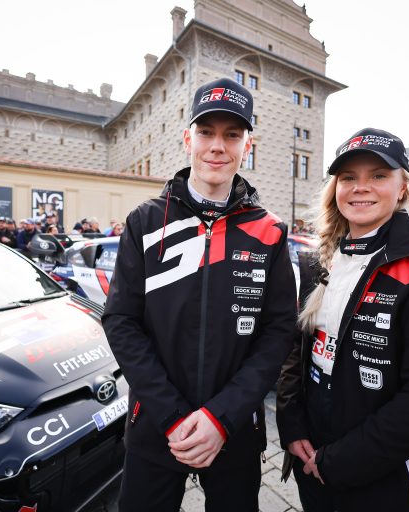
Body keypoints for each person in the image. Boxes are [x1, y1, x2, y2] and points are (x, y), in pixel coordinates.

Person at [102, 77, 296, 511]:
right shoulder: (145, 221)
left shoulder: (269, 231)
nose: (217, 146)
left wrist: (220, 417)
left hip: (234, 430)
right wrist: (172, 415)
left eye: (232, 135)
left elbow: (279, 331)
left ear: (247, 145)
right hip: (156, 426)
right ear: (188, 138)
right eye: (206, 132)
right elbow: (120, 321)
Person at [276, 127, 409, 511]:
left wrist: (338, 462)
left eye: (378, 175)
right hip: (311, 462)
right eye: (348, 177)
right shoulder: (318, 260)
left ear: (403, 188)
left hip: (388, 477)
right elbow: (297, 351)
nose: (361, 187)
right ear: (335, 188)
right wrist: (292, 426)